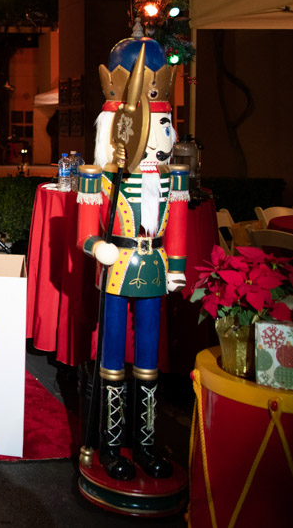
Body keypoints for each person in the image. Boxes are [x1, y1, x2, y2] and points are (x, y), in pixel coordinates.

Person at [77, 34, 187, 481]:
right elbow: (85, 233)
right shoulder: (99, 179)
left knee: (147, 360)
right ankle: (110, 446)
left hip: (154, 269)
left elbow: (176, 227)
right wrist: (95, 246)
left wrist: (176, 267)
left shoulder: (171, 180)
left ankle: (144, 443)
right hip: (117, 269)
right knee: (111, 358)